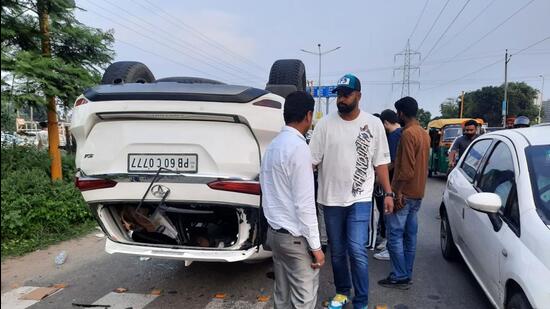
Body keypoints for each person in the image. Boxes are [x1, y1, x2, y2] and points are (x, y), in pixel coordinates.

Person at [309, 74, 394, 309]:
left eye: (346, 94)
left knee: (356, 249)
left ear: (359, 95)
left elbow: (381, 164)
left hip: (360, 198)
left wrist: (388, 193)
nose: (341, 99)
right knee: (337, 251)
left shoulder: (374, 124)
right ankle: (342, 292)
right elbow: (311, 162)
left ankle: (362, 300)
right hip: (330, 198)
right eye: (339, 95)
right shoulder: (325, 124)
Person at [260, 91, 325, 309]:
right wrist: (316, 246)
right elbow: (305, 204)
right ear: (308, 115)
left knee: (282, 295)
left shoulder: (273, 147)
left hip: (276, 234)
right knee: (303, 299)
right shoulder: (299, 149)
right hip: (295, 238)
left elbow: (267, 191)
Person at [378, 96, 430, 289]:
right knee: (410, 237)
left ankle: (399, 275)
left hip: (404, 194)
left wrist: (395, 192)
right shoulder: (424, 133)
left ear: (401, 113)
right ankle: (406, 273)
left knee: (395, 236)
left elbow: (406, 170)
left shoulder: (407, 134)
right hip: (418, 194)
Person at [373, 109, 402, 261]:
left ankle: (390, 247)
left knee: (389, 215)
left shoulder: (393, 137)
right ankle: (391, 245)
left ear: (385, 123)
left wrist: (379, 176)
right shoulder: (403, 133)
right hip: (400, 183)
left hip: (390, 182)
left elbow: (388, 162)